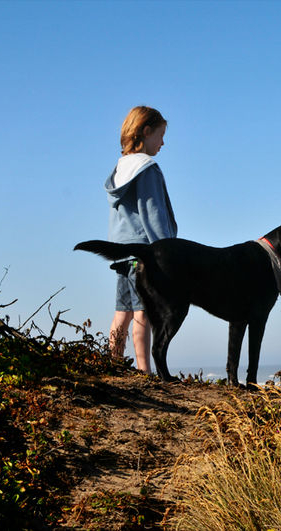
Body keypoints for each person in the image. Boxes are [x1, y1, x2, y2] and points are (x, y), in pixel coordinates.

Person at [104, 106, 177, 372]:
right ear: (146, 132)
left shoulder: (120, 169)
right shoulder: (147, 169)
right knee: (143, 312)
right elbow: (153, 212)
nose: (163, 142)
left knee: (122, 312)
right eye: (160, 135)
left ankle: (112, 363)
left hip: (121, 252)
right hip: (145, 253)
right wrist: (168, 251)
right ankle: (144, 370)